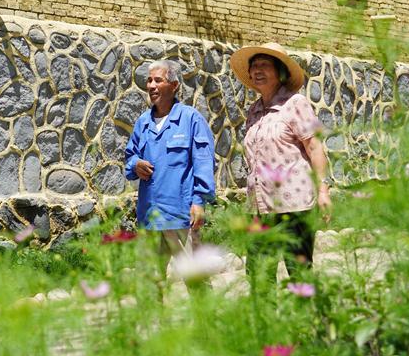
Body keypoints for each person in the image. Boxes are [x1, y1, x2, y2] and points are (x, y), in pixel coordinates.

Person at [229, 43, 331, 278]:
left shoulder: (296, 104)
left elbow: (314, 147)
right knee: (258, 273)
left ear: (281, 72)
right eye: (253, 66)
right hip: (260, 207)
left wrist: (323, 190)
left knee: (299, 273)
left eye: (264, 65)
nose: (256, 70)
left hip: (295, 206)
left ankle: (306, 315)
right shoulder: (254, 111)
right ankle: (265, 316)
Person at [124, 59, 216, 262]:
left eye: (158, 80)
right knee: (150, 281)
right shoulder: (143, 122)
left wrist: (199, 202)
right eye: (149, 81)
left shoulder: (191, 119)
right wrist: (135, 165)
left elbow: (204, 163)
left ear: (174, 86)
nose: (151, 86)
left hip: (181, 216)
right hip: (150, 217)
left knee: (195, 278)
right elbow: (130, 158)